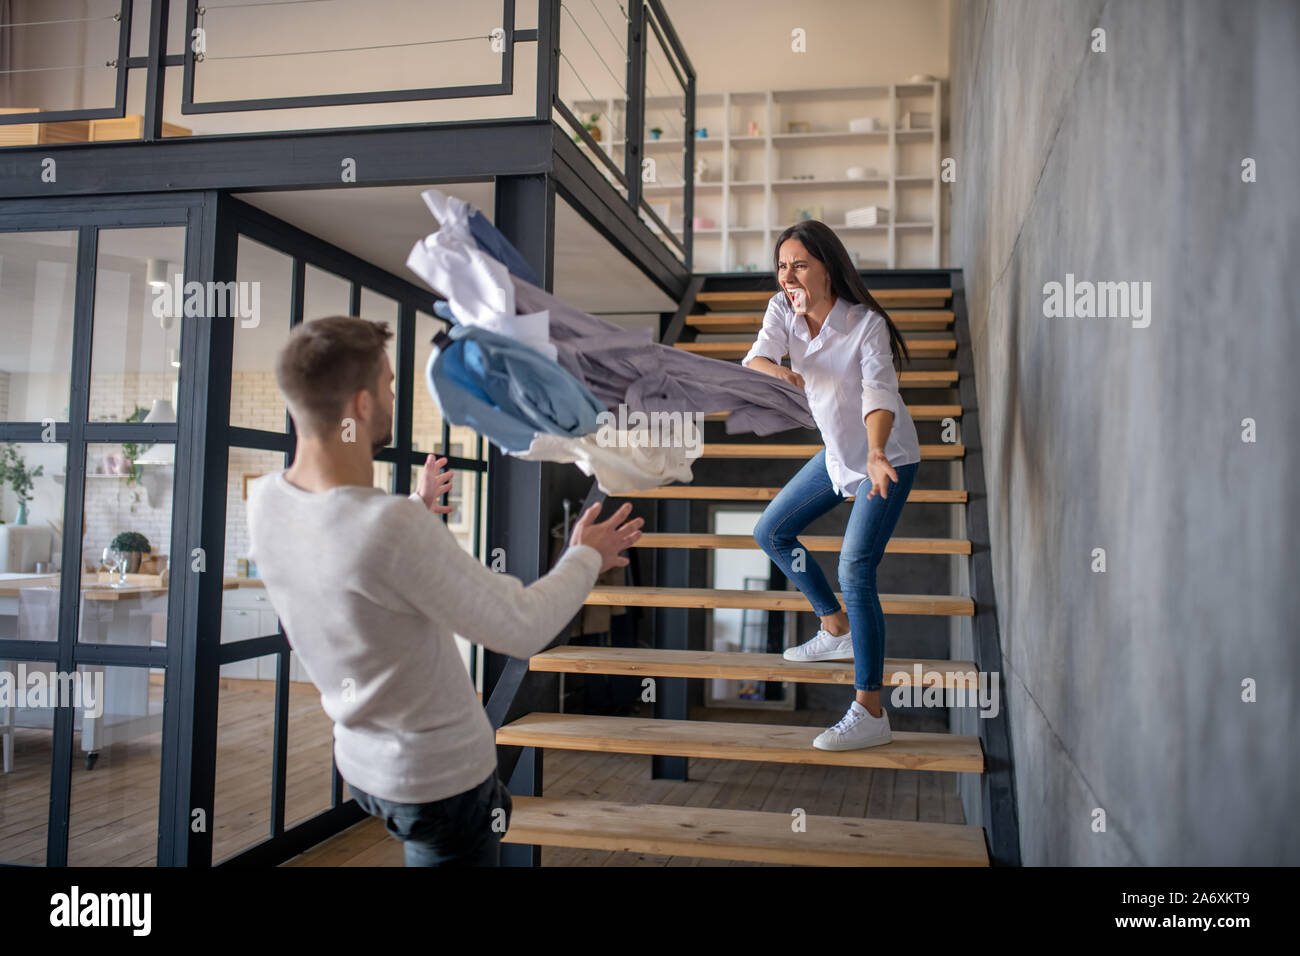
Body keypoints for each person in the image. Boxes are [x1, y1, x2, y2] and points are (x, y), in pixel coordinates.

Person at [247, 316, 642, 865]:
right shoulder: (387, 529)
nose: (393, 396)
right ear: (360, 406)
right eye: (388, 385)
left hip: (363, 767)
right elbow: (522, 626)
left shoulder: (266, 501)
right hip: (437, 781)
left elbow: (341, 545)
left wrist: (413, 508)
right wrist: (585, 555)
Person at [741, 221, 921, 751]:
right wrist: (780, 374)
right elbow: (755, 357)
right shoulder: (783, 310)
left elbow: (879, 393)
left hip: (885, 455)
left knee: (855, 566)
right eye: (781, 265)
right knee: (771, 531)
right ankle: (834, 628)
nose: (788, 275)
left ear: (826, 265)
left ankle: (870, 710)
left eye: (799, 264)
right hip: (839, 455)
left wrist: (875, 451)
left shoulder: (866, 324)